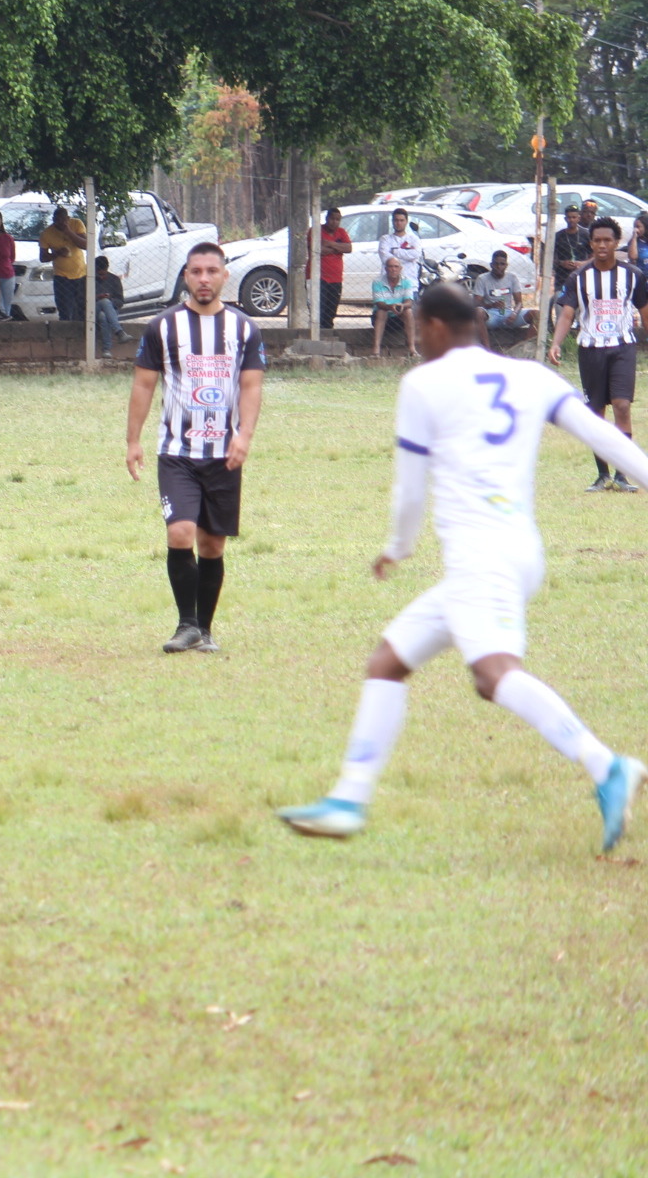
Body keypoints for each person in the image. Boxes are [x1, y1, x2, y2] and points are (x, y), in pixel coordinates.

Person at [276, 283, 647, 850]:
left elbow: (408, 491)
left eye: (417, 327)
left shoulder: (424, 383)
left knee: (495, 673)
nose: (416, 337)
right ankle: (349, 797)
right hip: (519, 551)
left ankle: (605, 765)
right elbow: (606, 437)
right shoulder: (529, 376)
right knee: (388, 661)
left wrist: (398, 547)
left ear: (437, 327)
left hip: (482, 559)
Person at [125, 242, 265, 654]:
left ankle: (204, 629)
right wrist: (133, 440)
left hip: (224, 453)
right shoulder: (162, 327)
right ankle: (186, 625)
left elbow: (252, 386)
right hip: (177, 452)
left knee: (212, 545)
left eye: (211, 271)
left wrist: (244, 436)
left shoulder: (243, 328)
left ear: (223, 276)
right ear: (185, 276)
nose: (204, 279)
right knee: (180, 532)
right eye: (196, 271)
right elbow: (143, 384)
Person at [548, 215, 648, 493]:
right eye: (597, 240)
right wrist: (556, 343)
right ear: (590, 244)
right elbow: (567, 314)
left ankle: (622, 475)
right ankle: (602, 475)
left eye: (608, 240)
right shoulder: (579, 277)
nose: (602, 245)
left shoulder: (633, 276)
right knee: (596, 412)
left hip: (622, 348)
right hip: (590, 350)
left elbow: (644, 312)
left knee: (622, 405)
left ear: (616, 243)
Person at [473, 250, 532, 349]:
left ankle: (525, 348)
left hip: (508, 313)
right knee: (478, 312)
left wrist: (514, 313)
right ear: (491, 265)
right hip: (490, 315)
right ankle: (487, 350)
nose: (499, 267)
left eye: (502, 264)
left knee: (536, 315)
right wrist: (491, 305)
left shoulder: (512, 278)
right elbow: (476, 302)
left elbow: (519, 303)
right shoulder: (482, 278)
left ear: (506, 265)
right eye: (496, 264)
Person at [39, 205, 89, 323]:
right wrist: (57, 253)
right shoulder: (47, 233)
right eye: (56, 220)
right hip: (62, 276)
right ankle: (65, 334)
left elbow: (86, 245)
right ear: (53, 220)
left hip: (81, 273)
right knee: (65, 309)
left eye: (63, 220)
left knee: (82, 307)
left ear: (68, 218)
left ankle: (82, 334)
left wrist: (69, 232)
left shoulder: (76, 224)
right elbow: (43, 257)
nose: (60, 223)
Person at [370, 257, 416, 357]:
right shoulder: (377, 282)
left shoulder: (407, 281)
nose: (393, 269)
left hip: (399, 318)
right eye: (390, 266)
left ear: (400, 268)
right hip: (381, 318)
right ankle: (376, 349)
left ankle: (412, 348)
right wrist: (390, 307)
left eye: (396, 266)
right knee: (381, 311)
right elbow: (379, 303)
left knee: (408, 311)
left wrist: (402, 305)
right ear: (386, 269)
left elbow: (409, 302)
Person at [318, 208, 352, 326]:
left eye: (337, 219)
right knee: (319, 310)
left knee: (331, 310)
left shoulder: (341, 232)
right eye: (332, 218)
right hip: (319, 277)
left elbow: (348, 248)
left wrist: (330, 244)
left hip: (336, 278)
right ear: (327, 218)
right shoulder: (317, 231)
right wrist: (338, 247)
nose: (334, 222)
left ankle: (328, 333)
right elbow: (318, 250)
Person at [377, 208, 423, 283]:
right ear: (392, 221)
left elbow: (416, 254)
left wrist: (395, 251)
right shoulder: (385, 239)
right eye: (396, 220)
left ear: (406, 222)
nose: (399, 223)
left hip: (410, 282)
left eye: (401, 220)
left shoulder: (414, 239)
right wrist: (408, 256)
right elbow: (385, 259)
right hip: (389, 284)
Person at [552, 205, 586, 303]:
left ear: (579, 218)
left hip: (581, 275)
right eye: (569, 217)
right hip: (562, 278)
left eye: (574, 217)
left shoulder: (586, 234)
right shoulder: (559, 236)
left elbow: (594, 256)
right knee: (560, 303)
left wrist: (582, 264)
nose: (571, 220)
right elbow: (551, 257)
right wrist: (561, 263)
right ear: (565, 218)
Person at [94, 256, 125, 358]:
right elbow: (81, 301)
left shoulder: (114, 279)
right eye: (99, 274)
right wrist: (97, 298)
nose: (102, 277)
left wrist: (110, 299)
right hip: (93, 309)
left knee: (103, 316)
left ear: (107, 268)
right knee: (104, 301)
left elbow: (120, 301)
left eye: (103, 273)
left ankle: (106, 350)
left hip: (110, 311)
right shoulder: (88, 280)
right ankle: (119, 332)